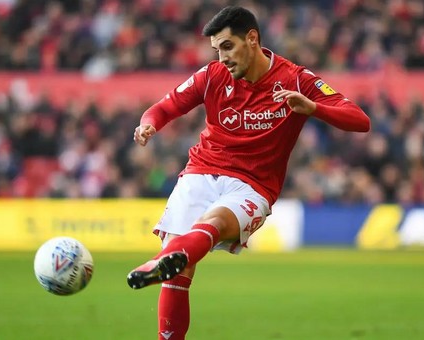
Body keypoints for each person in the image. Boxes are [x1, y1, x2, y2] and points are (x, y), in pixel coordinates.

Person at [127, 6, 370, 340]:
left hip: (252, 185)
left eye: (227, 46)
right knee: (179, 274)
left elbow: (360, 119)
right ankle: (168, 260)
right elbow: (165, 107)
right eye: (217, 50)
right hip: (200, 172)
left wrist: (313, 107)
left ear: (252, 38)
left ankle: (162, 259)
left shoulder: (296, 79)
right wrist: (147, 125)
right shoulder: (211, 75)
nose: (222, 57)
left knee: (212, 225)